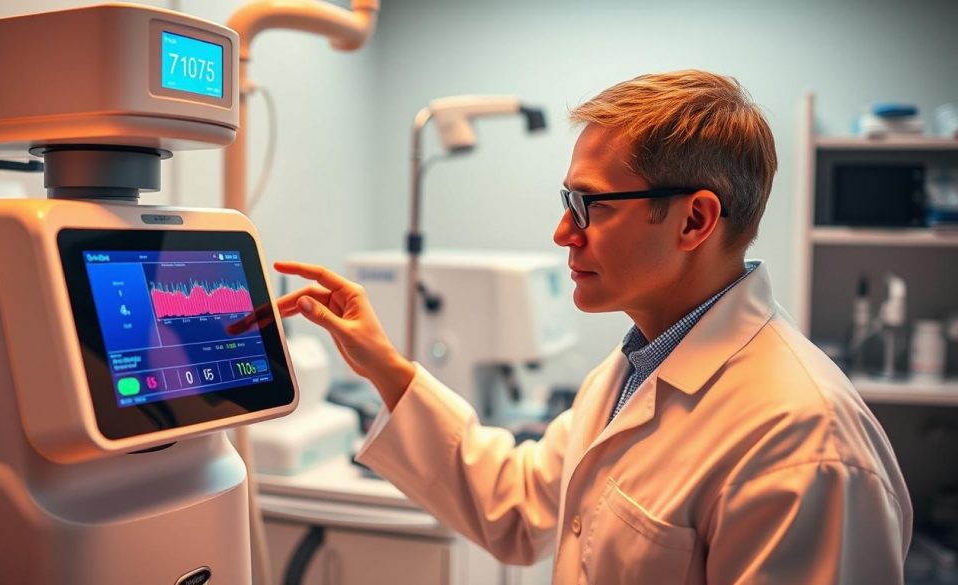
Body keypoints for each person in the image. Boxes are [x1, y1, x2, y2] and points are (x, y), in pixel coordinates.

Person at [264, 70, 913, 583]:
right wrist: (387, 367)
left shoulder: (804, 445)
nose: (562, 232)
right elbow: (519, 504)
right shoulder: (634, 371)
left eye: (590, 205)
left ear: (694, 220)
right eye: (566, 202)